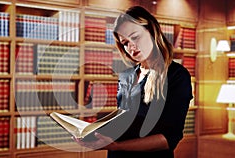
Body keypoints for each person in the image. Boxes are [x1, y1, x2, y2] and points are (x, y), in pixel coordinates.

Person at [74, 6, 193, 158]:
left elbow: (169, 139)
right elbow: (123, 120)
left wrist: (116, 145)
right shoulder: (126, 76)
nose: (131, 47)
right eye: (125, 43)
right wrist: (95, 132)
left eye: (135, 37)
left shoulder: (177, 75)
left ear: (151, 31)